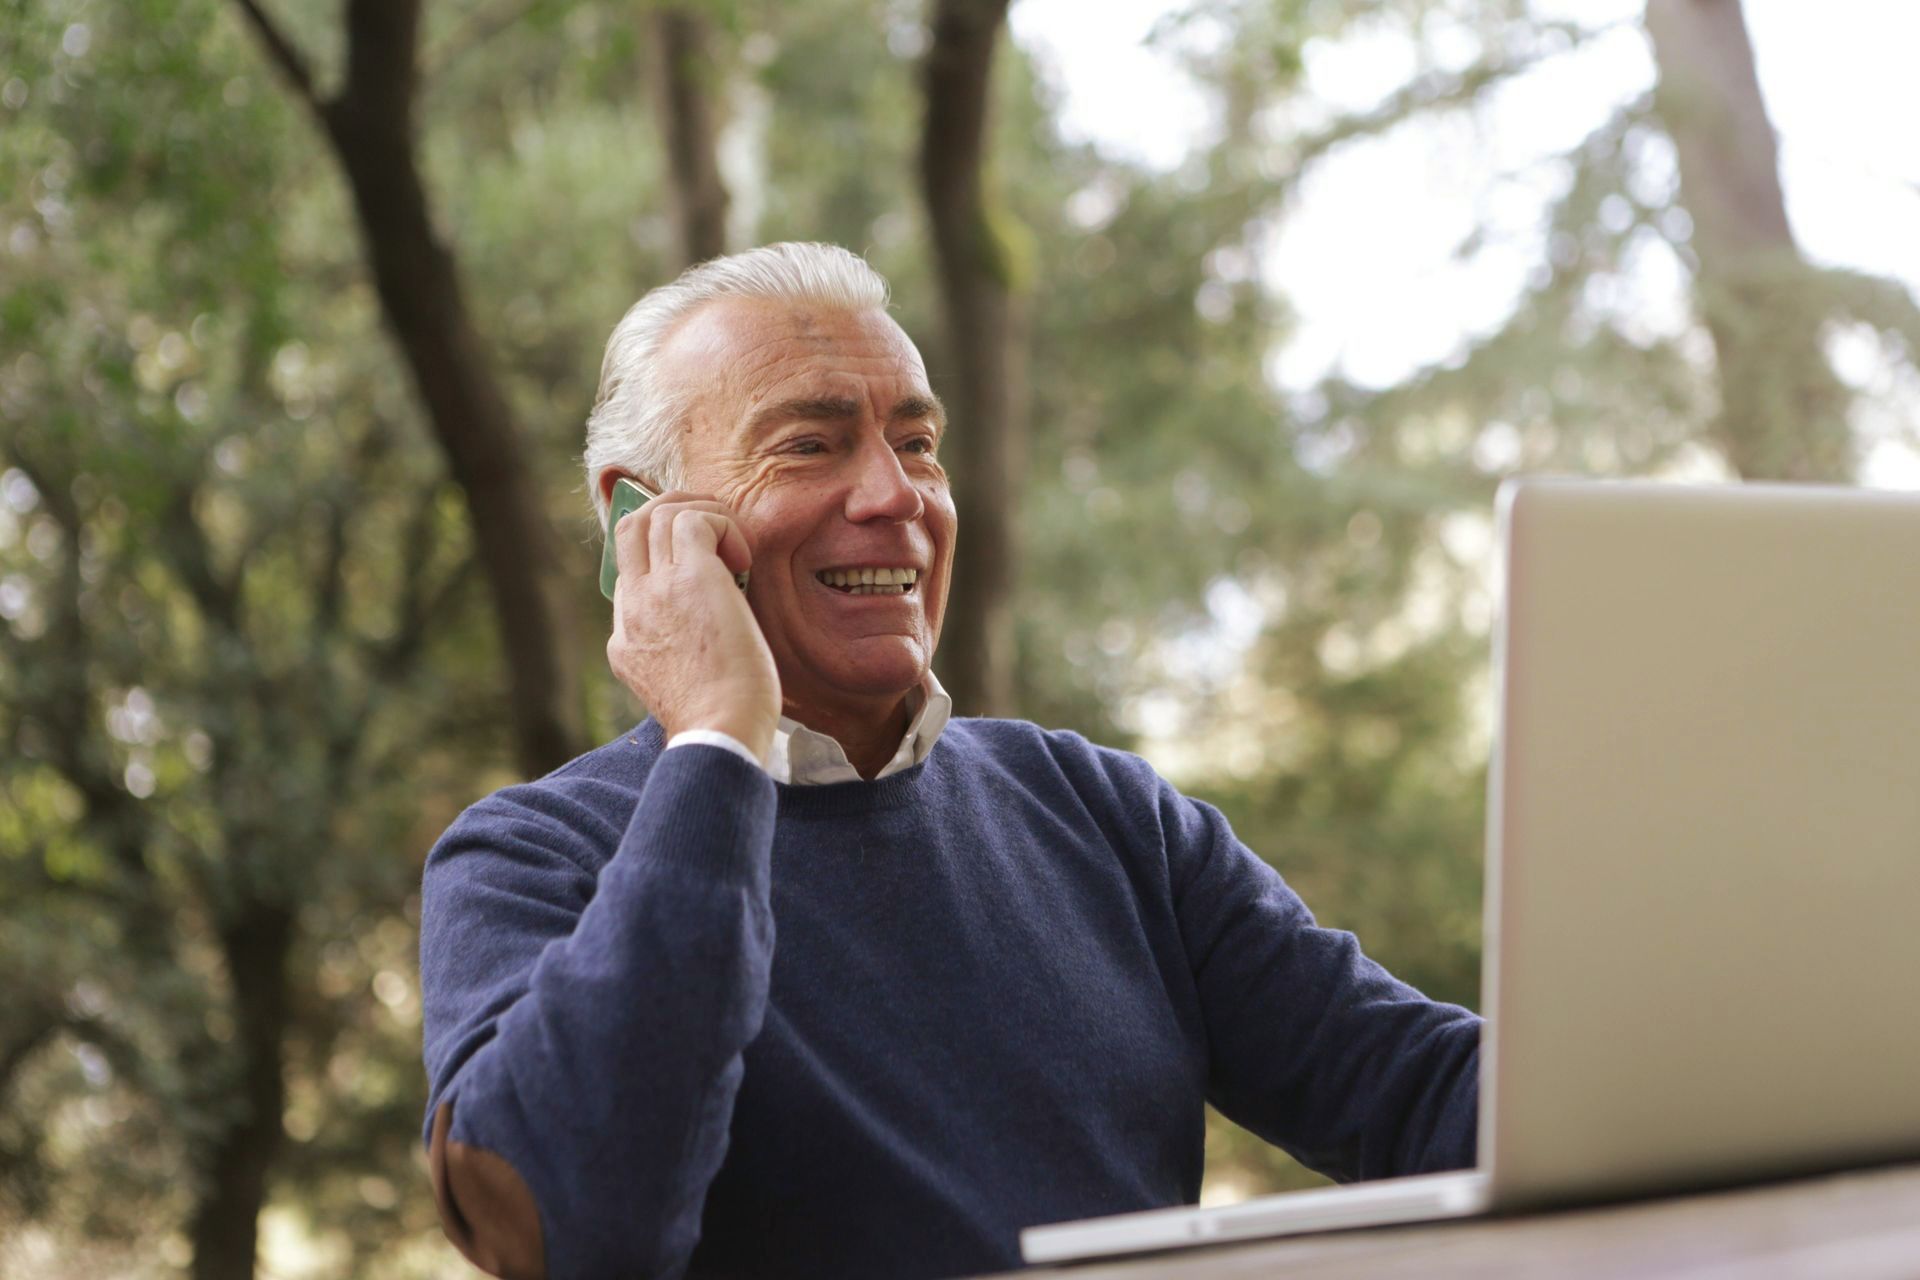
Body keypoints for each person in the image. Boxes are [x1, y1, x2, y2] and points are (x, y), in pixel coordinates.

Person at [418, 242, 1480, 1280]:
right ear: (639, 521)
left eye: (918, 444)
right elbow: (571, 1229)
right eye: (809, 445)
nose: (896, 495)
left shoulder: (1103, 811)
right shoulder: (529, 855)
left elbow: (1421, 1091)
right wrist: (716, 741)